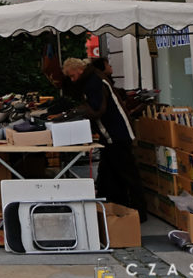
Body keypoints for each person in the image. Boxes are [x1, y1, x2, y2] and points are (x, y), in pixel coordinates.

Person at [62, 58, 146, 220]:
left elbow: (96, 109)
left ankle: (137, 211)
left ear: (79, 70)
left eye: (72, 76)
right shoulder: (93, 78)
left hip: (116, 133)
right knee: (110, 173)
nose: (72, 80)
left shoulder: (94, 82)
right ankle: (117, 207)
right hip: (112, 134)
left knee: (126, 173)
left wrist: (74, 114)